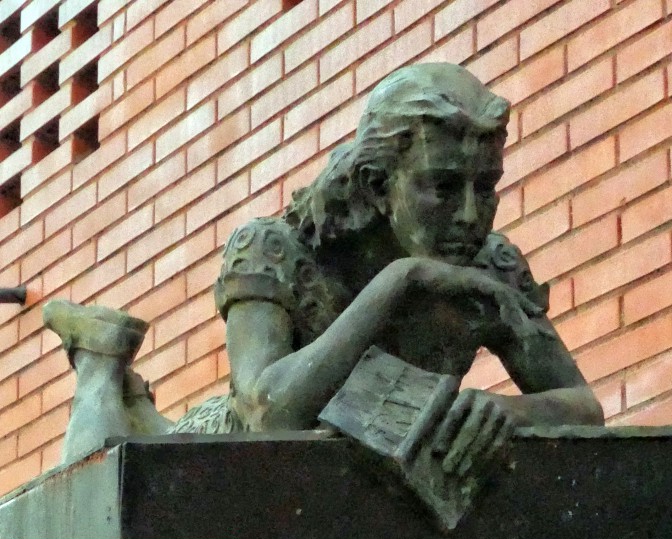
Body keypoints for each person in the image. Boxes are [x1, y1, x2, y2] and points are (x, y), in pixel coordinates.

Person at [44, 63, 603, 467]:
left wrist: (511, 411)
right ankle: (100, 359)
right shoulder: (274, 249)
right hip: (228, 457)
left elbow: (583, 407)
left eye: (486, 187)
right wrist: (400, 280)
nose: (469, 215)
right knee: (99, 488)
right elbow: (268, 415)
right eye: (443, 187)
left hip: (352, 480)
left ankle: (137, 405)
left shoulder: (491, 268)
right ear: (377, 185)